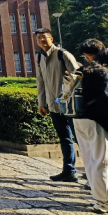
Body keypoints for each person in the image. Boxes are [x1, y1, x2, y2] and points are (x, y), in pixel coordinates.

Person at [72, 48, 108, 215]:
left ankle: (97, 197)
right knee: (103, 161)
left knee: (90, 161)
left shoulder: (83, 71)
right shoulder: (104, 74)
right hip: (97, 121)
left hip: (79, 118)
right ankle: (104, 201)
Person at [35, 28, 80, 182]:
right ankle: (69, 170)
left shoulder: (63, 54)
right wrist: (42, 103)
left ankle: (91, 173)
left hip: (70, 105)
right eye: (38, 38)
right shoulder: (39, 57)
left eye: (44, 37)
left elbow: (78, 77)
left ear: (51, 38)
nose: (41, 40)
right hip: (54, 106)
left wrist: (67, 95)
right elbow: (40, 81)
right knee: (65, 138)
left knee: (80, 139)